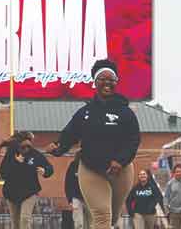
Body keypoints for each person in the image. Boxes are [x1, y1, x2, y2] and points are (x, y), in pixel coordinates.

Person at [47, 59, 141, 229]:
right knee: (102, 216)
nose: (107, 83)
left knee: (112, 217)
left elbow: (133, 140)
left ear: (116, 83)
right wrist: (58, 147)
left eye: (111, 80)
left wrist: (120, 161)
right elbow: (70, 134)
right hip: (91, 169)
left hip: (121, 169)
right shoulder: (85, 112)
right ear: (95, 82)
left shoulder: (125, 112)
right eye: (102, 79)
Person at [0, 131, 53, 229]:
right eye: (23, 147)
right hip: (12, 192)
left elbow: (49, 168)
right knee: (15, 222)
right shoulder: (11, 154)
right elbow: (3, 173)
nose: (26, 149)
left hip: (30, 191)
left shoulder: (35, 154)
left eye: (28, 146)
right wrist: (16, 162)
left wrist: (45, 171)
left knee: (25, 219)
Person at [65, 153, 91, 229]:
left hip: (89, 198)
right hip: (76, 198)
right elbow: (68, 182)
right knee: (79, 223)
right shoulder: (73, 165)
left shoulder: (91, 165)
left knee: (90, 223)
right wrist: (70, 199)